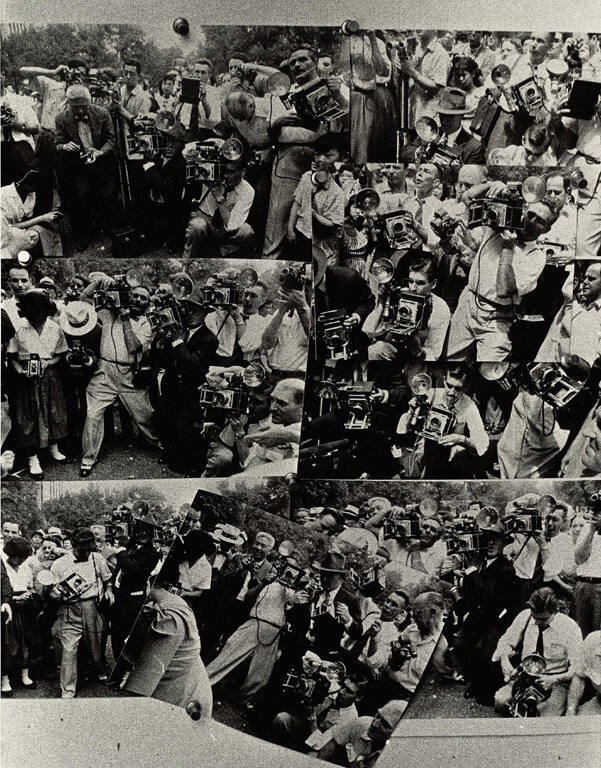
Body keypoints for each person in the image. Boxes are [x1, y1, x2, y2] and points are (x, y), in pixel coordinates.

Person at [445, 184, 559, 362]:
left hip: (496, 318)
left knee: (492, 369)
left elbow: (504, 289)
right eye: (531, 215)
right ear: (524, 210)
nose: (532, 222)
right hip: (467, 303)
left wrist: (508, 249)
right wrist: (494, 185)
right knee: (450, 359)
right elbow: (468, 198)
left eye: (540, 221)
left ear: (547, 229)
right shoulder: (498, 225)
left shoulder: (537, 257)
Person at [79, 276, 159, 477]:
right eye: (135, 296)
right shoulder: (107, 313)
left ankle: (160, 445)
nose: (138, 300)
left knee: (145, 415)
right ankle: (88, 459)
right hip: (104, 370)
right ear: (127, 297)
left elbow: (134, 348)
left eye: (143, 298)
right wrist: (100, 283)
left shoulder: (146, 323)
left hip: (129, 373)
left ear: (148, 304)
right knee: (92, 414)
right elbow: (83, 299)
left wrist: (124, 318)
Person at [122, 549, 213, 719]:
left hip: (181, 699)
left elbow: (143, 681)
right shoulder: (170, 602)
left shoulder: (168, 617)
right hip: (178, 688)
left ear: (147, 582)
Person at [453, 508, 519, 706]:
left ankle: (486, 689)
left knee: (486, 653)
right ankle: (475, 681)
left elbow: (489, 596)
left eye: (496, 539)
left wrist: (472, 571)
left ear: (503, 543)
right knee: (461, 646)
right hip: (478, 615)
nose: (491, 543)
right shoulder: (479, 561)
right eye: (487, 538)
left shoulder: (506, 568)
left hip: (498, 618)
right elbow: (471, 594)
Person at [154, 284, 218, 475]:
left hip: (191, 391)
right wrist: (163, 340)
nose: (190, 313)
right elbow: (164, 359)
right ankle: (170, 455)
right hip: (171, 386)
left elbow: (193, 365)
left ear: (205, 312)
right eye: (186, 309)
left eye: (196, 310)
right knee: (165, 420)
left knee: (185, 427)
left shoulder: (209, 338)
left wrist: (176, 341)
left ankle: (189, 465)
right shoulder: (177, 329)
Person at [6, 289, 68, 479]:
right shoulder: (19, 329)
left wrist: (47, 363)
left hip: (49, 376)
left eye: (40, 313)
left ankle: (53, 447)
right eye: (32, 314)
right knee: (28, 416)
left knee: (53, 411)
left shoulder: (54, 328)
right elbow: (12, 357)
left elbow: (60, 355)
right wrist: (21, 371)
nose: (37, 318)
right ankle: (33, 458)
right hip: (26, 379)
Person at [492, 587, 583, 716]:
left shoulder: (570, 627)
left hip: (555, 680)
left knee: (544, 717)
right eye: (535, 617)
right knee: (500, 701)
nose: (537, 622)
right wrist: (504, 658)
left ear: (555, 611)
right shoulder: (526, 616)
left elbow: (578, 667)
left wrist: (554, 679)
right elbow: (505, 641)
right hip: (525, 676)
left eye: (543, 619)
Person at [49, 527, 114, 698]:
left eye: (89, 550)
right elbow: (52, 592)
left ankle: (99, 670)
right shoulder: (59, 564)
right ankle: (68, 690)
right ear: (73, 546)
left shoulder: (97, 558)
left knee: (95, 644)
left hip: (91, 606)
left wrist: (108, 590)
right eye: (82, 550)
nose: (86, 554)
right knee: (69, 649)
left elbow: (108, 579)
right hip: (69, 608)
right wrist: (55, 594)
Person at [54, 84, 117, 251]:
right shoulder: (61, 118)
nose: (81, 112)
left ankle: (104, 228)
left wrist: (100, 152)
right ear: (69, 104)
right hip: (77, 165)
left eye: (84, 107)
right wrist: (65, 146)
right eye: (76, 108)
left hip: (101, 161)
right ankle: (84, 234)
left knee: (106, 195)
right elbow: (57, 144)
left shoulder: (102, 114)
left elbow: (111, 139)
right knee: (81, 199)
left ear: (89, 103)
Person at [396, 365, 489, 479]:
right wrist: (411, 411)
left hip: (453, 456)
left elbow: (482, 443)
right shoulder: (431, 394)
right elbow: (402, 429)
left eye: (458, 388)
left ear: (466, 388)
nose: (451, 392)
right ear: (444, 380)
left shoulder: (469, 405)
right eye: (449, 385)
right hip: (427, 453)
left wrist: (461, 439)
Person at [364, 254, 450, 363]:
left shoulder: (440, 308)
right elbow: (369, 331)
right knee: (376, 349)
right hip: (394, 350)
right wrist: (382, 303)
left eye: (420, 283)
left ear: (433, 284)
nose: (413, 287)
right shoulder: (400, 295)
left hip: (419, 358)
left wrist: (418, 350)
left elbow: (434, 354)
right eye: (410, 281)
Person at [183, 157, 255, 257]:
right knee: (197, 225)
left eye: (231, 172)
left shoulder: (248, 190)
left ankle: (222, 253)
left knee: (246, 231)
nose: (226, 176)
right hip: (206, 219)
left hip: (227, 226)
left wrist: (219, 199)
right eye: (224, 171)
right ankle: (188, 260)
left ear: (242, 172)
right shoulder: (212, 176)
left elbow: (232, 225)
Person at [316, 699, 406, 767]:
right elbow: (331, 747)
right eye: (378, 716)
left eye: (385, 724)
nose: (374, 724)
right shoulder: (362, 723)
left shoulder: (397, 760)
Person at [0, 536, 36, 696]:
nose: (20, 561)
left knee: (27, 641)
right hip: (8, 610)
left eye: (23, 558)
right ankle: (5, 680)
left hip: (25, 609)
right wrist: (14, 598)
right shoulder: (2, 568)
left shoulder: (26, 568)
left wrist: (29, 594)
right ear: (10, 555)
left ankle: (25, 675)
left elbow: (30, 586)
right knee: (8, 644)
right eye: (17, 557)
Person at [572, 502, 601, 637]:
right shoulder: (587, 528)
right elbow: (579, 558)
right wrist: (591, 530)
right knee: (581, 633)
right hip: (584, 586)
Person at [565, 630, 601, 715]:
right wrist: (571, 709)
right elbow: (579, 676)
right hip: (599, 701)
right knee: (576, 724)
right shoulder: (593, 640)